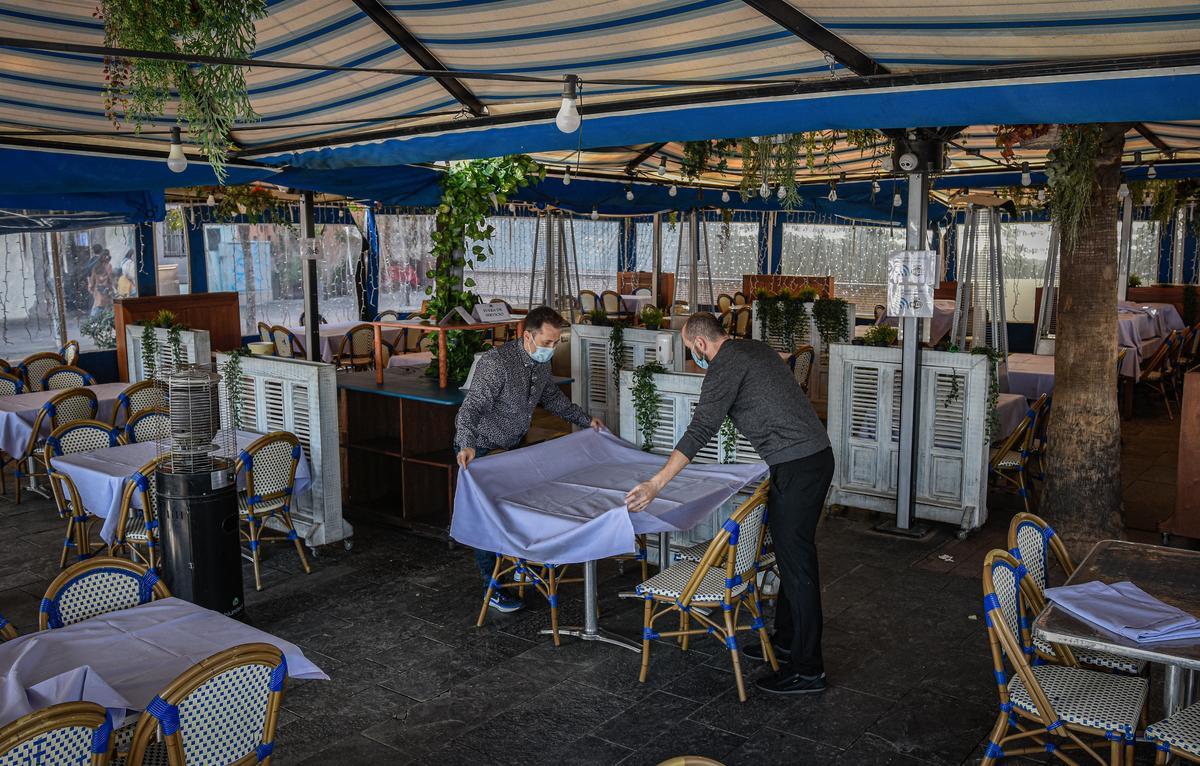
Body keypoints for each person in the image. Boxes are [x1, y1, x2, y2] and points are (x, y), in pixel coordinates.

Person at [624, 311, 834, 695]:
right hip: (809, 459)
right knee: (791, 559)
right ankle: (787, 641)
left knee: (798, 565)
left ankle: (808, 669)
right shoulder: (752, 348)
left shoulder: (724, 365)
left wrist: (656, 484)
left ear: (701, 344)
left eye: (692, 351)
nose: (695, 358)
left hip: (799, 465)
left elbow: (701, 428)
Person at [454, 305, 604, 612]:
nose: (551, 349)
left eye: (555, 343)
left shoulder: (541, 364)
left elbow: (551, 398)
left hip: (511, 447)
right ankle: (491, 587)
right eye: (547, 342)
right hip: (480, 448)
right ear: (528, 336)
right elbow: (471, 409)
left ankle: (514, 563)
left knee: (514, 510)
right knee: (487, 520)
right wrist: (466, 444)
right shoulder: (497, 365)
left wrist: (586, 419)